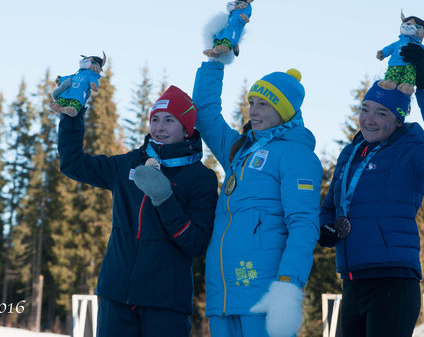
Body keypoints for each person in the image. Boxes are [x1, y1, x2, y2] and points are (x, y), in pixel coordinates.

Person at [318, 43, 424, 337]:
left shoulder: (411, 154)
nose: (369, 119)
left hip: (393, 280)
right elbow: (330, 206)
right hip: (353, 281)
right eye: (365, 109)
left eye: (381, 113)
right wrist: (325, 227)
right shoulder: (350, 154)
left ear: (397, 119)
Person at [58, 84, 218, 337]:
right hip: (116, 295)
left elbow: (195, 243)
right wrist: (71, 117)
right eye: (155, 119)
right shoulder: (127, 165)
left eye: (169, 120)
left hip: (165, 303)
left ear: (187, 129)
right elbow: (73, 164)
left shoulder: (201, 178)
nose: (159, 127)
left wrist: (165, 200)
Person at [193, 58, 323, 337]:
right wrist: (215, 62)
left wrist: (287, 285)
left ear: (283, 110)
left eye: (263, 104)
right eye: (251, 102)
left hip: (264, 296)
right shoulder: (239, 151)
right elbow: (204, 114)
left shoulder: (296, 155)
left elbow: (303, 225)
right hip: (224, 295)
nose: (252, 110)